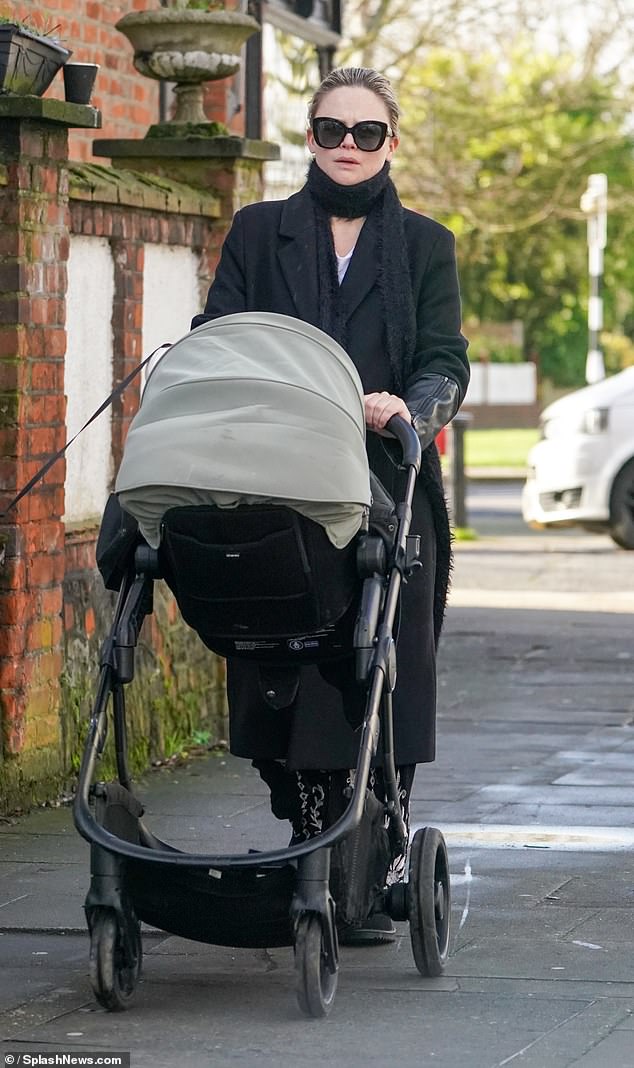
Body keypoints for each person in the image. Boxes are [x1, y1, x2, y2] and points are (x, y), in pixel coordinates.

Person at [191, 66, 470, 943]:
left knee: (385, 657)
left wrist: (407, 410)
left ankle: (373, 843)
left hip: (385, 480)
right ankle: (309, 827)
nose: (348, 145)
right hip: (278, 479)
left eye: (367, 132)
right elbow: (217, 338)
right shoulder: (258, 231)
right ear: (310, 137)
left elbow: (444, 359)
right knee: (283, 651)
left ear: (392, 142)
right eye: (331, 130)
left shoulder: (425, 245)